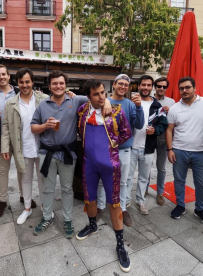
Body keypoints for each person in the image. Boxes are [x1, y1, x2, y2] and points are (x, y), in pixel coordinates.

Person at [31, 70, 112, 238]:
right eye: (54, 83)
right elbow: (33, 127)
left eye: (61, 83)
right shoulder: (43, 105)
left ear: (65, 85)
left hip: (68, 153)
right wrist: (45, 126)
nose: (58, 86)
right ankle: (47, 217)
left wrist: (108, 102)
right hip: (47, 153)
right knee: (48, 189)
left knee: (68, 188)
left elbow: (97, 98)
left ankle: (68, 219)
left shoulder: (76, 100)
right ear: (49, 86)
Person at [76, 79, 132, 272]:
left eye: (103, 93)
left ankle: (120, 245)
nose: (102, 97)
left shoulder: (116, 111)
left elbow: (127, 133)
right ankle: (92, 225)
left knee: (114, 203)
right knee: (89, 198)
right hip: (89, 163)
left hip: (110, 165)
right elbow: (78, 128)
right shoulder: (83, 110)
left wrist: (113, 145)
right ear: (88, 96)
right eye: (97, 94)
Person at [166, 76, 203, 226]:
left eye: (187, 87)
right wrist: (170, 149)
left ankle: (200, 209)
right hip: (179, 150)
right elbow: (169, 130)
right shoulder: (174, 108)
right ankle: (180, 205)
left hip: (202, 151)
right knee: (179, 180)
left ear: (194, 88)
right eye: (182, 88)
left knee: (202, 183)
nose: (184, 90)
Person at [1, 68, 49, 225]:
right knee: (26, 179)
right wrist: (5, 147)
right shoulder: (11, 103)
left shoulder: (44, 99)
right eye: (21, 82)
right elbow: (6, 127)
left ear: (32, 82)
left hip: (42, 146)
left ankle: (44, 206)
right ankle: (27, 208)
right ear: (17, 83)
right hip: (23, 148)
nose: (24, 85)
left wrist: (71, 94)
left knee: (43, 178)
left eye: (27, 81)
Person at [96, 74, 145, 227]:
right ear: (114, 84)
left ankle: (123, 209)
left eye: (126, 85)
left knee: (123, 182)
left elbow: (139, 124)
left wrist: (139, 107)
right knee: (103, 182)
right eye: (121, 84)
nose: (123, 87)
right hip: (106, 149)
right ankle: (100, 207)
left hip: (124, 149)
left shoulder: (130, 104)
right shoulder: (104, 101)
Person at [0, 64, 33, 219]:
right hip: (1, 137)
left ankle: (23, 195)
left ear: (9, 76)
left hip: (20, 138)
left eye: (3, 74)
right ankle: (2, 200)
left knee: (22, 169)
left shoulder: (20, 91)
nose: (1, 77)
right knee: (3, 170)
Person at [127, 75, 168, 215]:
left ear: (152, 87)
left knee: (144, 177)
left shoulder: (157, 106)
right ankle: (126, 200)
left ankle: (140, 200)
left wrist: (155, 130)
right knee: (127, 176)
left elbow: (164, 124)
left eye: (148, 85)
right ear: (138, 86)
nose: (145, 87)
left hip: (148, 147)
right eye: (143, 85)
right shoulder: (130, 103)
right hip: (131, 146)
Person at [145, 77, 176, 205]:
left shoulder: (171, 102)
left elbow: (173, 120)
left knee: (161, 167)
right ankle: (144, 189)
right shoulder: (148, 100)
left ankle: (160, 193)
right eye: (159, 86)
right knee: (146, 165)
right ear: (155, 87)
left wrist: (169, 112)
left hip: (164, 138)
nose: (161, 88)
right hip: (149, 137)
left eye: (164, 87)